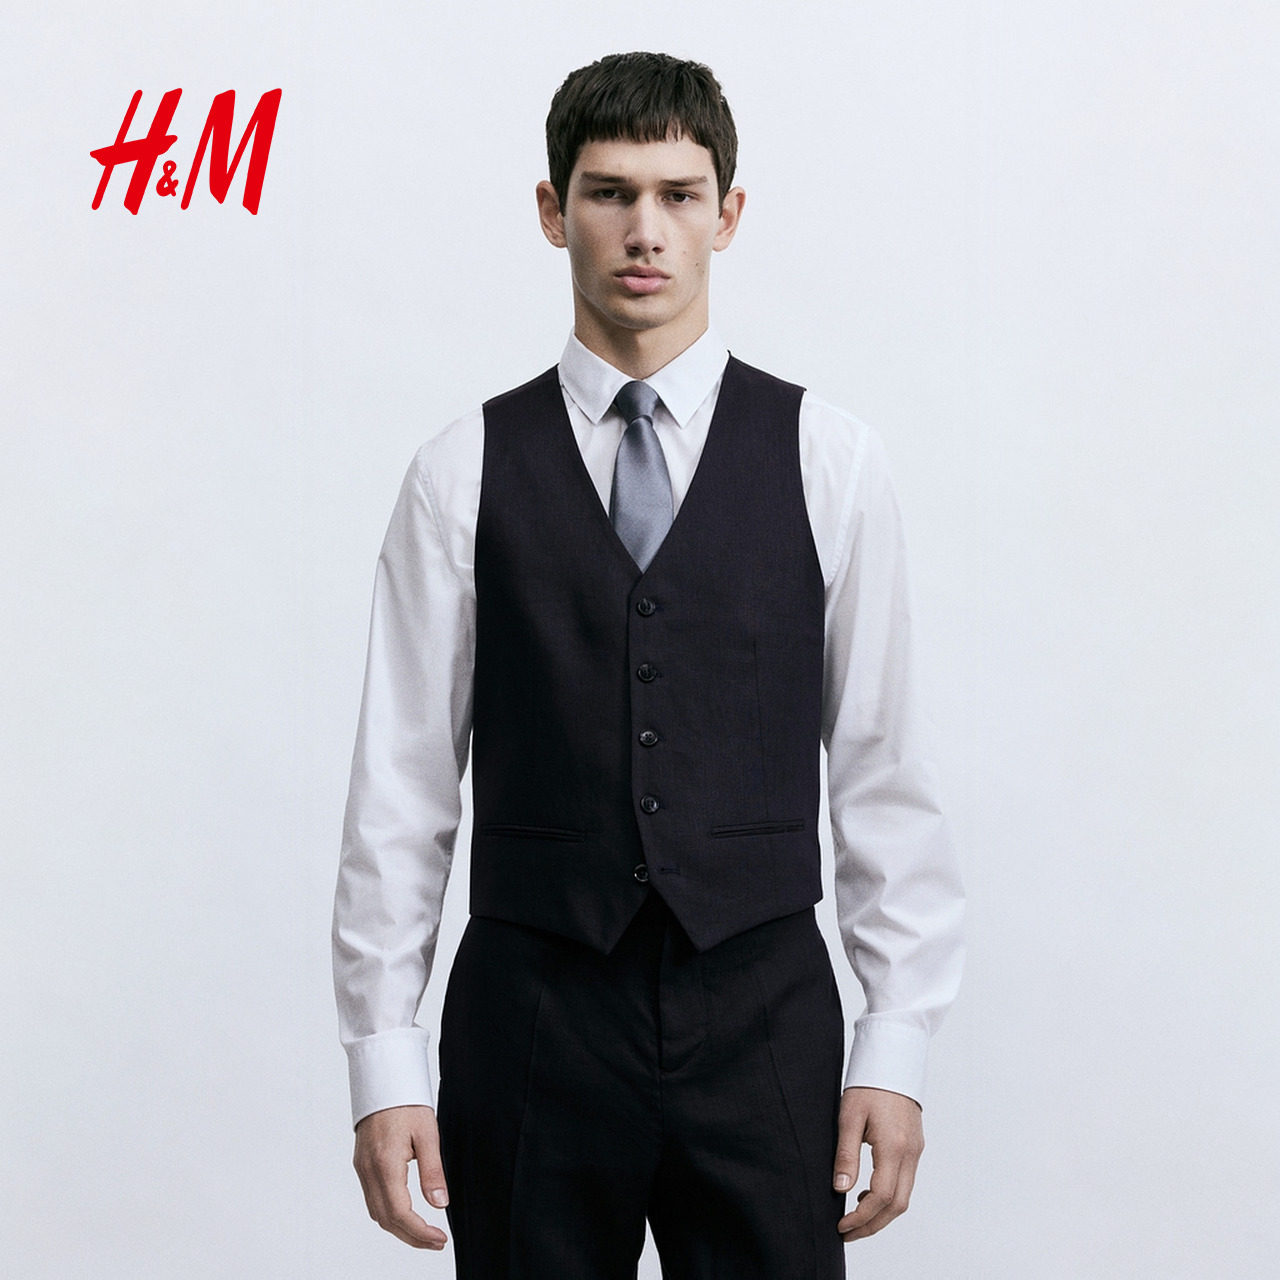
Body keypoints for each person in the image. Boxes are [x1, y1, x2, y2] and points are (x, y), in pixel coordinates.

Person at [333, 50, 964, 1279]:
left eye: (678, 195)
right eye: (610, 192)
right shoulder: (459, 468)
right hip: (531, 1015)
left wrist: (895, 1042)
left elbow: (883, 767)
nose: (644, 230)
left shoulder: (828, 458)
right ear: (551, 209)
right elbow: (400, 787)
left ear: (726, 215)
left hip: (763, 1013)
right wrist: (383, 1058)